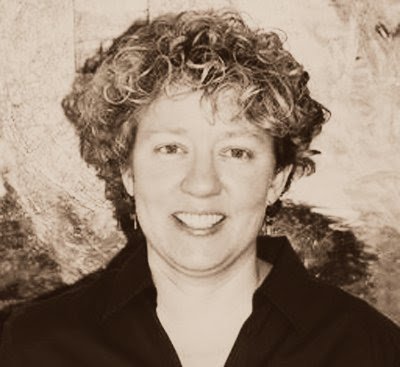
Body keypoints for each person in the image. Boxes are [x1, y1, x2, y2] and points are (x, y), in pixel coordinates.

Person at [0, 9, 399, 367]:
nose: (202, 184)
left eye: (235, 152)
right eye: (171, 148)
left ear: (277, 178)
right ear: (128, 172)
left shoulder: (368, 348)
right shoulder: (35, 349)